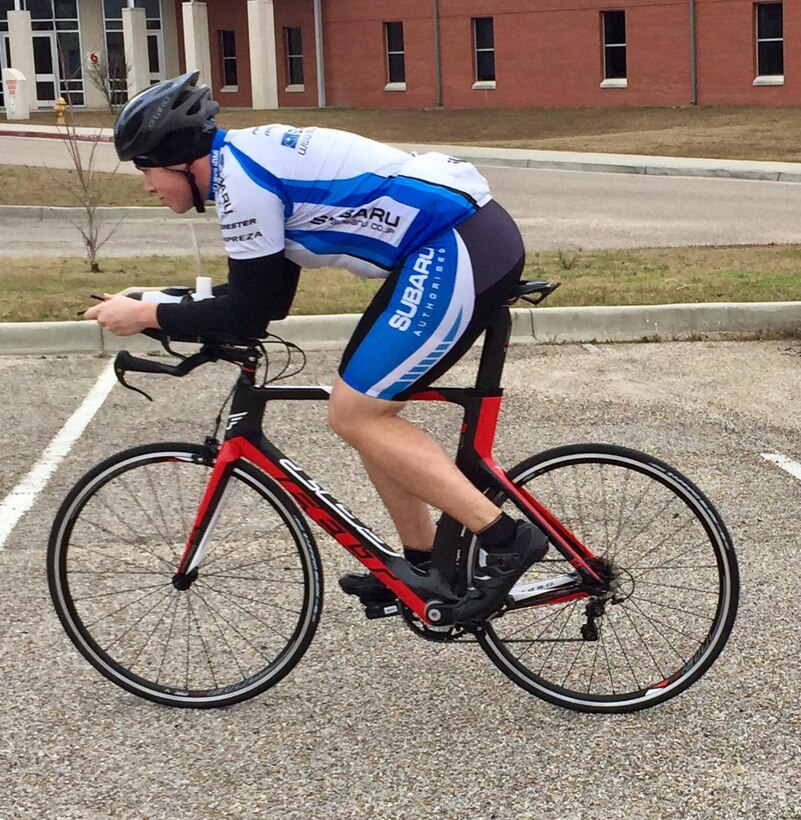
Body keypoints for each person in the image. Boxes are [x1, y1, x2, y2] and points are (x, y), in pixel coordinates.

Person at [85, 71, 548, 622]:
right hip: (446, 245)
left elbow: (251, 311)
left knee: (358, 413)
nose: (147, 186)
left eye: (146, 170)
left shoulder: (242, 183)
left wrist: (147, 314)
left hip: (457, 245)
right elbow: (265, 295)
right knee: (363, 406)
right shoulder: (241, 163)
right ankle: (426, 565)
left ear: (182, 161)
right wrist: (158, 304)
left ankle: (505, 539)